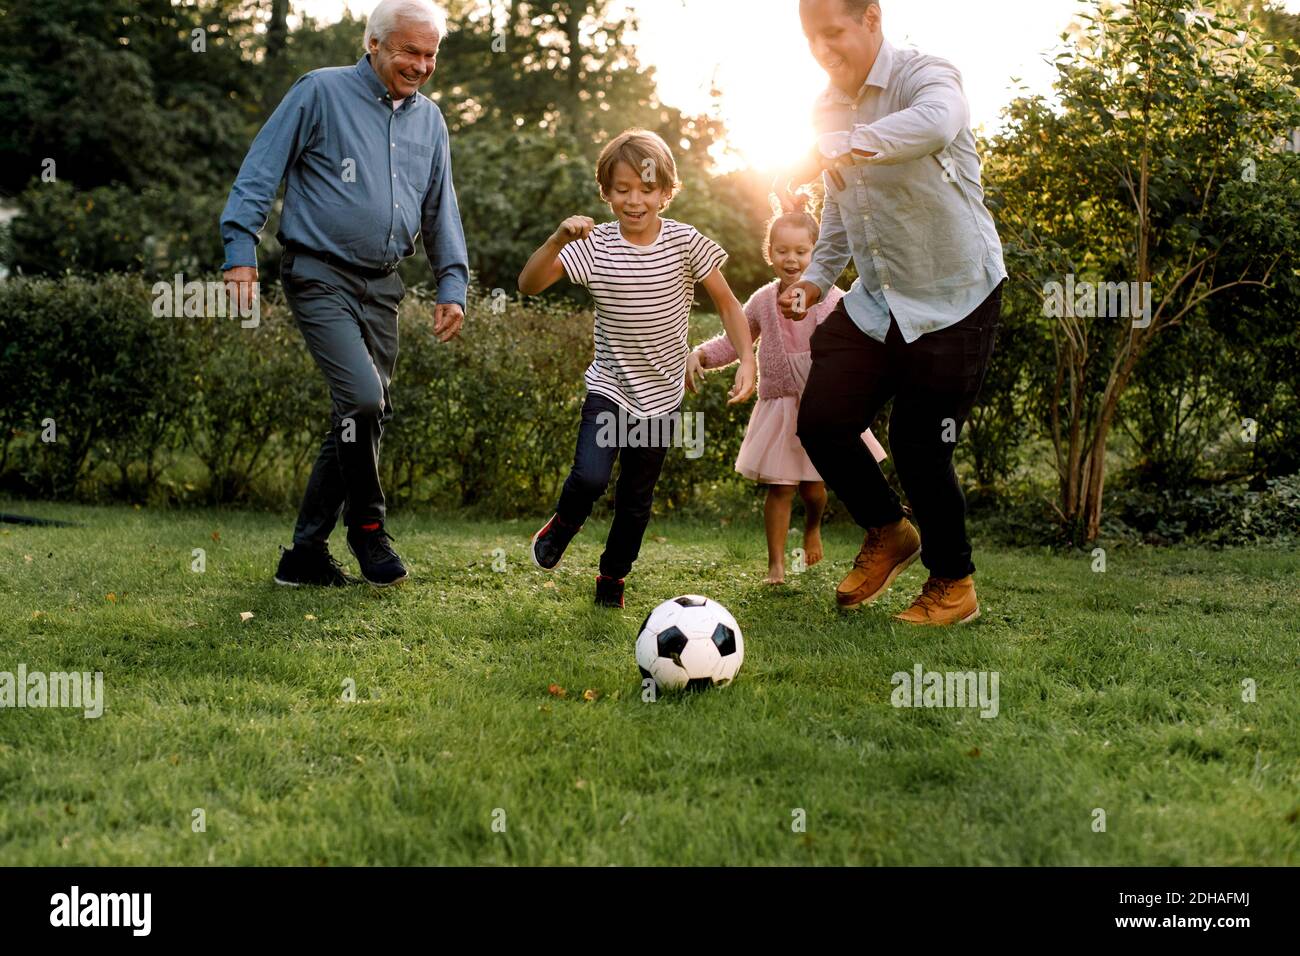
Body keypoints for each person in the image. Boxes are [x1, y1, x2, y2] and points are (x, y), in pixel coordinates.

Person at [220, 0, 468, 588]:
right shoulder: (320, 92)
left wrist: (451, 282)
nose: (422, 65)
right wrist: (240, 251)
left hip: (383, 284)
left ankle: (304, 556)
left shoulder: (430, 121)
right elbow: (261, 169)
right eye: (410, 50)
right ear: (374, 44)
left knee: (363, 412)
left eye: (431, 54)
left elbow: (441, 209)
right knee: (362, 398)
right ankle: (368, 529)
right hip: (318, 272)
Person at [517, 128, 756, 608]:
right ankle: (564, 523)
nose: (635, 199)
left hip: (663, 399)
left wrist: (747, 358)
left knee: (635, 502)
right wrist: (558, 238)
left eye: (647, 189)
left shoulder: (686, 243)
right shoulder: (595, 246)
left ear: (666, 193)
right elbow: (529, 284)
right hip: (610, 388)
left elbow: (729, 305)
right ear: (605, 192)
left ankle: (612, 578)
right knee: (589, 479)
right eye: (622, 189)